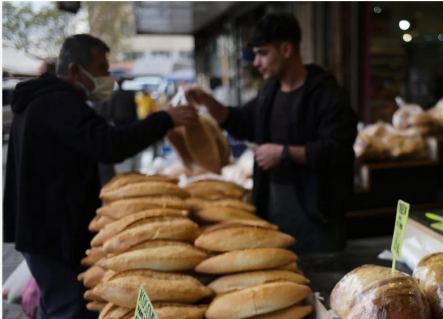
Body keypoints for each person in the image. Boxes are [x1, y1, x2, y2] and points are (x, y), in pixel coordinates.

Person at [3, 34, 198, 319]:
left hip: (44, 230)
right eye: (102, 69)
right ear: (74, 71)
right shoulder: (57, 103)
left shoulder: (47, 100)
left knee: (57, 305)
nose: (109, 77)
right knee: (68, 308)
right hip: (52, 233)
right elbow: (109, 144)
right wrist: (165, 119)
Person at [186, 13, 357, 254]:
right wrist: (209, 103)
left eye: (262, 53)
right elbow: (243, 122)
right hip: (274, 209)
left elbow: (338, 148)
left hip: (319, 215)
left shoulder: (327, 94)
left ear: (286, 49)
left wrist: (284, 153)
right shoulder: (270, 93)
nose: (256, 62)